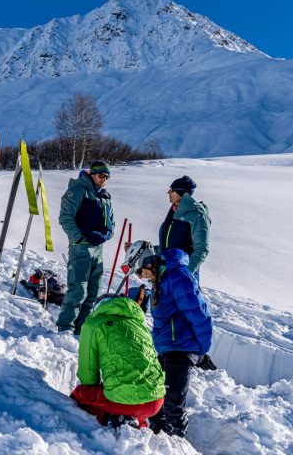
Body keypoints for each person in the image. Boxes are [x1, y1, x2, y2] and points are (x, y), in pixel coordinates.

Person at [137, 247, 215, 437]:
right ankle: (158, 441)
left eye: (141, 271)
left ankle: (176, 445)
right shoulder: (162, 279)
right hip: (167, 349)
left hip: (182, 348)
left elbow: (199, 314)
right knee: (156, 399)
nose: (141, 276)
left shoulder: (178, 277)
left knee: (172, 405)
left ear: (151, 263)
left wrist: (201, 351)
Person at [70, 294, 165, 428]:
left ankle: (109, 419)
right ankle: (138, 423)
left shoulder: (93, 325)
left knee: (81, 394)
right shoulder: (140, 326)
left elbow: (88, 375)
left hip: (121, 402)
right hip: (155, 401)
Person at [57, 160, 115, 334]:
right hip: (81, 247)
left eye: (106, 177)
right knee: (78, 289)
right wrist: (79, 238)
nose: (103, 180)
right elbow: (65, 217)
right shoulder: (77, 191)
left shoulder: (104, 197)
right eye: (100, 175)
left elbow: (112, 222)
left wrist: (107, 235)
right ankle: (65, 327)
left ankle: (82, 328)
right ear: (91, 174)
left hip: (98, 249)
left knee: (93, 291)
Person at [159, 176, 211, 277]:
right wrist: (144, 249)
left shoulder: (197, 215)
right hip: (167, 270)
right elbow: (169, 245)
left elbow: (201, 249)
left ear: (181, 193)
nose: (168, 192)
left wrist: (185, 273)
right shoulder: (174, 212)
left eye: (171, 190)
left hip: (183, 275)